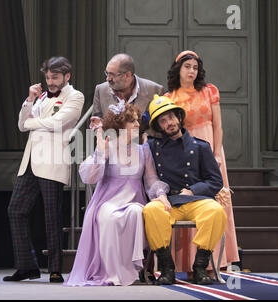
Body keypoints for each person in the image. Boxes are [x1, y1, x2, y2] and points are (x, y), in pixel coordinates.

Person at [65, 104, 170, 286]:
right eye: (132, 121)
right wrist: (100, 154)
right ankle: (111, 272)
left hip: (133, 200)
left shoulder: (144, 150)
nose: (137, 124)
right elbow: (90, 177)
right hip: (108, 200)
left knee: (136, 213)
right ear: (120, 125)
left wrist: (161, 194)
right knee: (109, 217)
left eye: (137, 120)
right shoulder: (106, 146)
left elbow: (151, 179)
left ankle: (130, 270)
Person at [3, 56, 84, 283]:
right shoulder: (38, 98)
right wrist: (29, 101)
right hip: (30, 162)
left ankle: (55, 268)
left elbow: (58, 123)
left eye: (55, 77)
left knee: (51, 216)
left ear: (66, 76)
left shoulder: (75, 96)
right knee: (15, 210)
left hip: (52, 161)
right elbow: (21, 124)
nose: (50, 81)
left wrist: (31, 123)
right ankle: (26, 266)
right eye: (48, 77)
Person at [164, 50, 239, 274]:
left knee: (216, 201)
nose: (192, 71)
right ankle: (189, 262)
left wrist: (216, 153)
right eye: (187, 67)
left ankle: (217, 259)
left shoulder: (209, 91)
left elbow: (218, 125)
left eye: (195, 68)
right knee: (191, 201)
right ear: (179, 70)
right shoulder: (170, 98)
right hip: (186, 152)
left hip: (210, 149)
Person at [142, 95, 227, 285]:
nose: (169, 123)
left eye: (171, 117)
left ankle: (200, 267)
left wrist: (192, 190)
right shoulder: (151, 147)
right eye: (163, 121)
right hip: (169, 202)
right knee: (150, 210)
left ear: (179, 118)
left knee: (216, 211)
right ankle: (166, 268)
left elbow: (215, 180)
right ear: (159, 126)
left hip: (195, 200)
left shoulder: (200, 146)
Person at [89, 53, 164, 135]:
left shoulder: (155, 90)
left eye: (112, 75)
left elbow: (159, 125)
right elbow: (97, 122)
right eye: (107, 73)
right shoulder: (100, 90)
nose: (108, 79)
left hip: (145, 144)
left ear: (127, 75)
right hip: (112, 145)